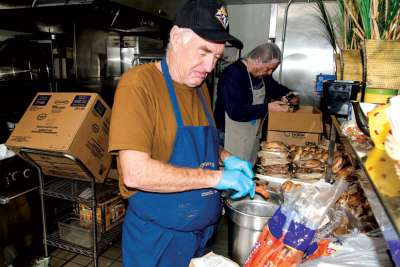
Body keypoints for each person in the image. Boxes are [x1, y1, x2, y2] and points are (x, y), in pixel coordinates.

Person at [108, 1, 256, 266]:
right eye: (204, 52)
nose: (210, 66)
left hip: (201, 237)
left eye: (216, 57)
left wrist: (227, 157)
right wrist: (217, 177)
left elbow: (200, 146)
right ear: (176, 37)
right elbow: (135, 173)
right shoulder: (138, 86)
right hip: (159, 242)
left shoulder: (199, 87)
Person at [214, 43, 299, 165]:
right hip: (229, 135)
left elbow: (273, 87)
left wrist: (290, 95)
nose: (270, 73)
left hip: (250, 133)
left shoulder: (260, 74)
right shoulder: (233, 74)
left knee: (248, 167)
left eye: (272, 69)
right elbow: (236, 111)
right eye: (269, 68)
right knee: (232, 172)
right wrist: (268, 108)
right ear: (258, 60)